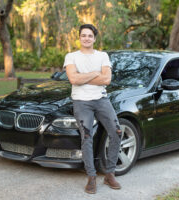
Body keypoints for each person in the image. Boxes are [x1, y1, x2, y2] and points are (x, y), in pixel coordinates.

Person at [63, 24, 122, 194]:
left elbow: (107, 80)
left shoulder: (103, 56)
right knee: (87, 137)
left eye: (90, 35)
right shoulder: (71, 57)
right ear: (79, 38)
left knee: (116, 132)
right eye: (83, 35)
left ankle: (109, 173)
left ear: (94, 38)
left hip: (101, 100)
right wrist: (95, 73)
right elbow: (73, 79)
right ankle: (91, 177)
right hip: (81, 102)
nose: (86, 38)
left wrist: (84, 77)